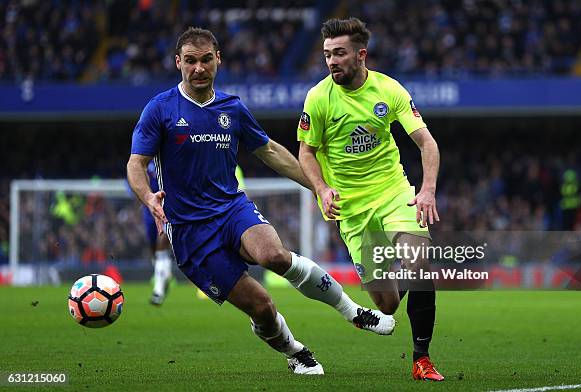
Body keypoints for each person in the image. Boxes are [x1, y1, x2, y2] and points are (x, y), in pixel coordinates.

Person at [126, 26, 396, 376]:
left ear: (218, 60)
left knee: (275, 255)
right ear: (178, 62)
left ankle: (353, 312)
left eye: (206, 60)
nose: (198, 69)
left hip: (230, 208)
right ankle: (296, 351)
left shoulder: (232, 108)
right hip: (191, 232)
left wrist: (318, 187)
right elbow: (136, 163)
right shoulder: (159, 110)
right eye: (190, 61)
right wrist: (147, 196)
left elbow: (269, 150)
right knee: (263, 307)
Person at [297, 18, 444, 381]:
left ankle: (421, 360)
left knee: (420, 264)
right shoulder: (318, 98)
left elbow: (427, 142)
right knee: (388, 304)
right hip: (351, 208)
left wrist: (426, 190)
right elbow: (306, 152)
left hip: (394, 193)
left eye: (340, 54)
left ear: (361, 54)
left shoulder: (388, 89)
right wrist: (322, 188)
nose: (332, 61)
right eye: (327, 54)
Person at [142, 161, 173, 306]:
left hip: (169, 205)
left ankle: (158, 291)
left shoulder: (169, 155)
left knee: (162, 241)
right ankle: (163, 273)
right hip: (149, 208)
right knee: (154, 248)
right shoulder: (143, 158)